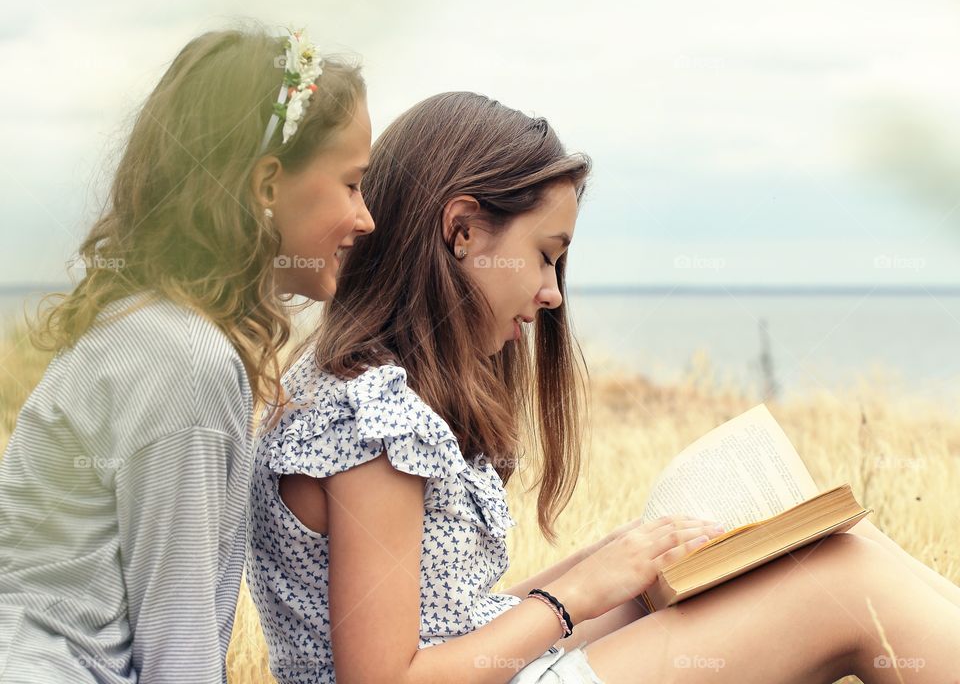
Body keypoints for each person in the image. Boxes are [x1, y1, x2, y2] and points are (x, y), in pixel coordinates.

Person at [246, 92, 960, 684]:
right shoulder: (372, 420)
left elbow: (451, 626)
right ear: (461, 230)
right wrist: (575, 594)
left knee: (840, 541)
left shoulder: (360, 393)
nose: (552, 293)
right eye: (544, 256)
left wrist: (613, 565)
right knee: (846, 584)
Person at [0, 22, 374, 684]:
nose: (365, 217)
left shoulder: (141, 325)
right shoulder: (187, 360)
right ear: (267, 186)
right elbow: (178, 652)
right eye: (351, 184)